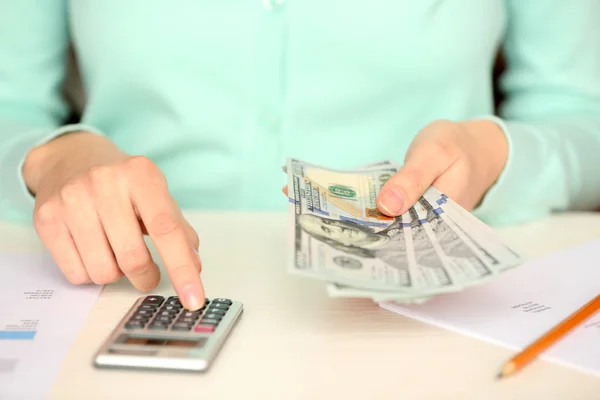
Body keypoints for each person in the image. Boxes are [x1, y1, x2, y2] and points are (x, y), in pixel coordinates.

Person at [0, 1, 599, 311]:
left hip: (422, 322)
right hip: (120, 297)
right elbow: (11, 104)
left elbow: (580, 113)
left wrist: (499, 155)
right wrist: (50, 161)